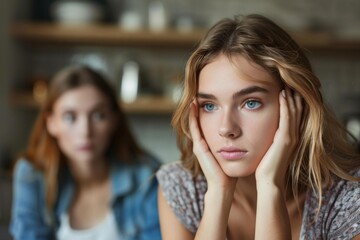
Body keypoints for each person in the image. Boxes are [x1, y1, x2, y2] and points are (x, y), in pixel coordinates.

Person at [156, 14, 360, 240]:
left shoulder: (348, 198)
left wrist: (270, 186)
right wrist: (218, 194)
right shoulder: (183, 189)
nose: (226, 129)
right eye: (209, 105)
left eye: (250, 103)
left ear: (297, 105)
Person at [10, 65, 161, 240]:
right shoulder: (32, 174)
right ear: (51, 123)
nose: (85, 131)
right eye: (70, 117)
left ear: (114, 119)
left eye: (98, 116)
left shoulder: (146, 176)